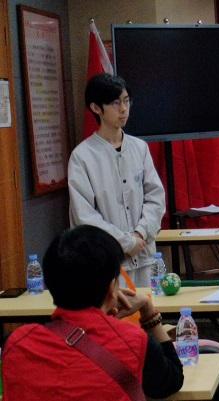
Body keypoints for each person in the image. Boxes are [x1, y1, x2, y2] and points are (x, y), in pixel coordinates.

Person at [1, 225, 183, 400]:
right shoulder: (133, 341)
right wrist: (148, 311)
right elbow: (170, 382)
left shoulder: (17, 343)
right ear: (112, 288)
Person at [68, 73, 165, 287]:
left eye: (126, 101)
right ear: (96, 108)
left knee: (148, 307)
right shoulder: (82, 156)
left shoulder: (139, 148)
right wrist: (126, 242)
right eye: (115, 103)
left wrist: (140, 232)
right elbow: (85, 216)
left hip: (145, 258)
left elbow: (155, 197)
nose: (123, 109)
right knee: (115, 309)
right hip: (107, 263)